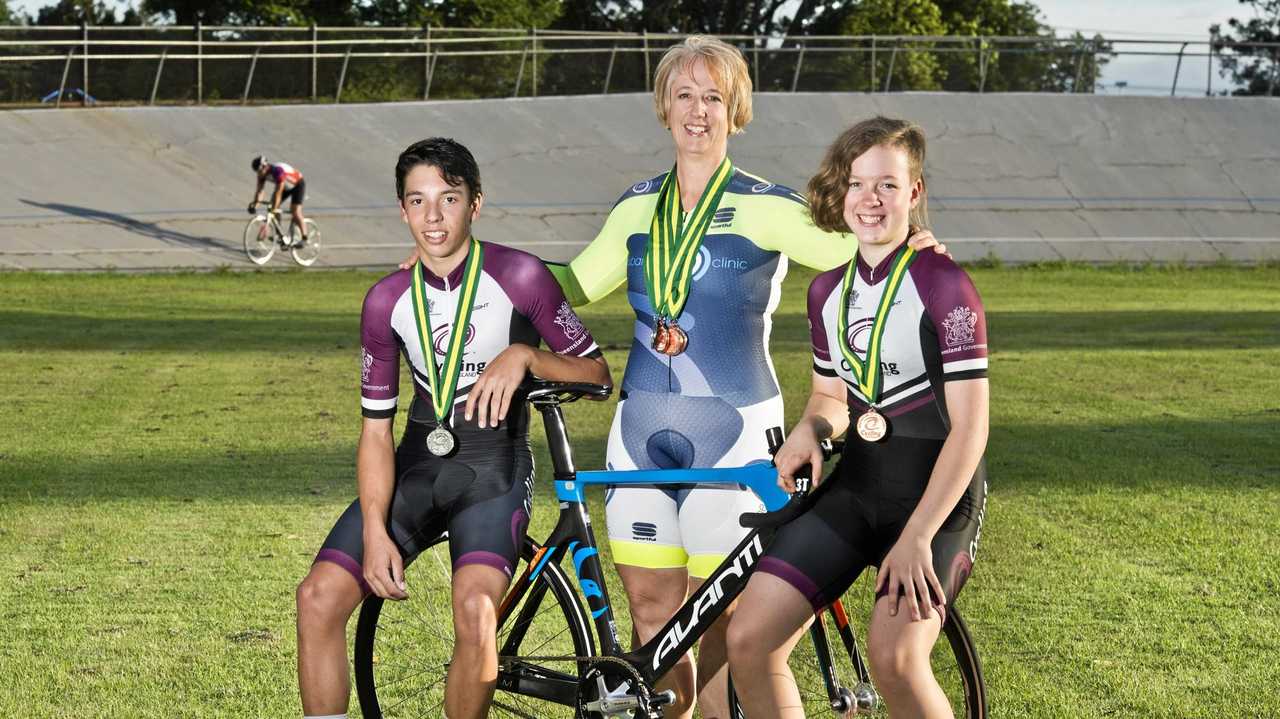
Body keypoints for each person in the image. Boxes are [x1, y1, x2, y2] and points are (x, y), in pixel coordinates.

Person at [542, 38, 948, 719]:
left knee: (725, 627)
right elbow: (572, 284)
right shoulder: (636, 207)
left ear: (736, 111)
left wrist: (915, 246)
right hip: (639, 435)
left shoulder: (767, 206)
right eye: (684, 95)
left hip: (733, 441)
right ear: (664, 107)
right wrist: (486, 271)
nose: (697, 112)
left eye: (713, 97)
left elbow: (860, 248)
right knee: (652, 617)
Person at [294, 137, 611, 719]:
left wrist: (527, 356)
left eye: (448, 198)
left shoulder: (521, 275)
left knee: (475, 613)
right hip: (419, 466)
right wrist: (373, 529)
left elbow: (596, 373)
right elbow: (374, 433)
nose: (433, 217)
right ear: (402, 210)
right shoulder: (385, 300)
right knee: (316, 599)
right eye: (417, 202)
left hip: (493, 471)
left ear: (475, 204)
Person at [725, 116, 989, 719]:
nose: (870, 199)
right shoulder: (826, 292)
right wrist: (809, 431)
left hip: (935, 499)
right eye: (858, 183)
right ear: (840, 191)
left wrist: (919, 536)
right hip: (858, 487)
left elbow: (972, 428)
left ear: (914, 194)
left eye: (888, 185)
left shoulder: (944, 283)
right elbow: (830, 399)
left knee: (894, 659)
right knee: (750, 639)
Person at [249, 155, 309, 243]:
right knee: (273, 207)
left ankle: (304, 238)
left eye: (259, 171)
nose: (258, 174)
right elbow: (259, 191)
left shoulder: (277, 171)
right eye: (256, 172)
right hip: (286, 186)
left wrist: (274, 209)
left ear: (265, 167)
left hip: (298, 184)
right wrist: (255, 205)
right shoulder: (261, 174)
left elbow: (278, 193)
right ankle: (279, 234)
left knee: (295, 211)